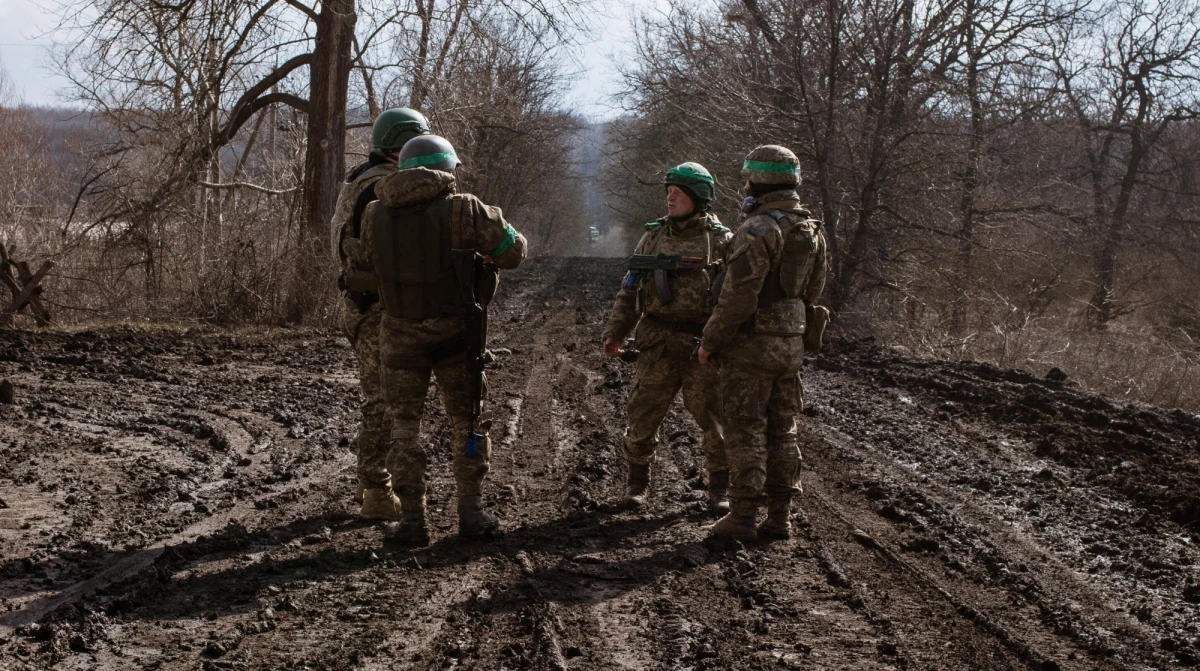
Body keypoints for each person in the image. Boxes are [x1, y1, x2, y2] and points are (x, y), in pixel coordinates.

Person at [361, 134, 527, 546]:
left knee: (403, 430)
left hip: (398, 339)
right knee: (467, 422)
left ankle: (413, 520)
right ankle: (470, 511)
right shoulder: (465, 208)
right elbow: (513, 251)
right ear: (447, 170)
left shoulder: (373, 213)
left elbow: (366, 263)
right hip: (456, 336)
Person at [697, 145, 828, 541]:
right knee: (782, 430)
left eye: (747, 179)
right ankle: (780, 517)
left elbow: (737, 296)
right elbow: (814, 291)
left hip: (751, 347)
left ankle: (741, 518)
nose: (744, 186)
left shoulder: (758, 229)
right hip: (791, 346)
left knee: (745, 429)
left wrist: (710, 341)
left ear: (758, 181)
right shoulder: (810, 229)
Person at [601, 162, 733, 514]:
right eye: (668, 192)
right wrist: (616, 332)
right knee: (642, 414)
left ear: (698, 198)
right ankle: (637, 485)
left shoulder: (722, 241)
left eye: (678, 193)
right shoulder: (653, 237)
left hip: (701, 346)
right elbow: (630, 292)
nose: (670, 198)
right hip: (657, 341)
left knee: (714, 418)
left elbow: (736, 298)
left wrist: (721, 341)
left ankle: (720, 490)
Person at [330, 107, 430, 520]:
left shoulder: (361, 179)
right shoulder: (383, 189)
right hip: (373, 309)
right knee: (384, 402)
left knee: (383, 399)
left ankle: (373, 482)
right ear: (401, 145)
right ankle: (375, 490)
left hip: (361, 303)